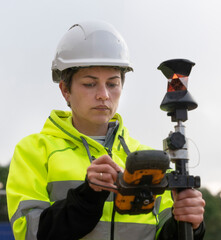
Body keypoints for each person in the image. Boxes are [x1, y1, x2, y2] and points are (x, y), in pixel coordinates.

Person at [6, 20, 205, 240]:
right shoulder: (33, 151)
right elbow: (29, 233)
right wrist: (86, 198)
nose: (103, 94)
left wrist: (189, 223)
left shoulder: (150, 162)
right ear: (65, 90)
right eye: (90, 84)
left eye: (112, 83)